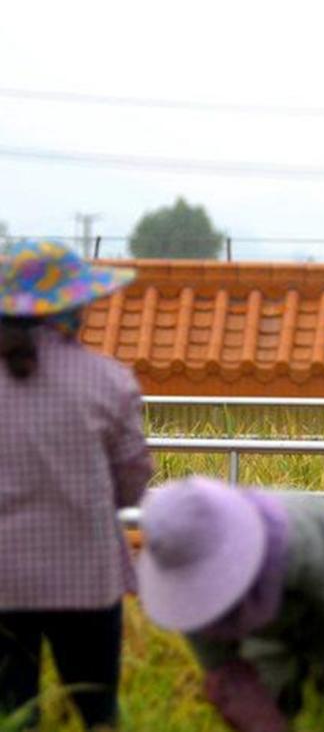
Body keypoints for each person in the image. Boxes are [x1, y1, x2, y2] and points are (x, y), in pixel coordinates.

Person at [0, 241, 152, 730]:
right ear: (75, 306)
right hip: (86, 578)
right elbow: (132, 485)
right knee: (97, 713)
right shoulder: (109, 381)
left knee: (11, 712)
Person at [136, 477, 324, 732]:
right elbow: (226, 672)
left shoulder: (294, 539)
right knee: (276, 686)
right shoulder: (189, 598)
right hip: (276, 612)